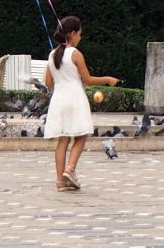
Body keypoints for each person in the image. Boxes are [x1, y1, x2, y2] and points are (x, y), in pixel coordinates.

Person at [43, 15, 119, 192]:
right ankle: (70, 169)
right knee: (81, 135)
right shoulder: (75, 54)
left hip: (59, 99)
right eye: (79, 34)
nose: (80, 37)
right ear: (73, 33)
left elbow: (48, 82)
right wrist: (108, 79)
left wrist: (64, 79)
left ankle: (60, 180)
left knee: (63, 140)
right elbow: (88, 79)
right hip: (75, 98)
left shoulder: (52, 54)